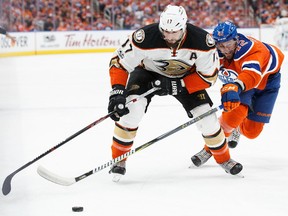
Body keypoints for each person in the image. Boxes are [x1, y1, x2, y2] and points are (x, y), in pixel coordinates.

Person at [107, 5, 243, 181]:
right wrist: (117, 91)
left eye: (175, 32)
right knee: (131, 113)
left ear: (184, 27)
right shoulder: (144, 37)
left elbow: (209, 77)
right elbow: (119, 63)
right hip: (147, 74)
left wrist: (180, 84)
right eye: (165, 32)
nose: (169, 37)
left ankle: (224, 159)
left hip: (185, 79)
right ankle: (119, 159)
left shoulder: (202, 41)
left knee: (207, 119)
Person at [191, 20, 284, 167]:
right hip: (238, 81)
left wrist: (234, 86)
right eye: (220, 45)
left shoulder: (252, 50)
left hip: (266, 81)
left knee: (252, 132)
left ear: (236, 39)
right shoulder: (213, 50)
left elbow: (251, 74)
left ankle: (237, 128)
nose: (225, 49)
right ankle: (209, 149)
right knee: (231, 117)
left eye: (228, 44)